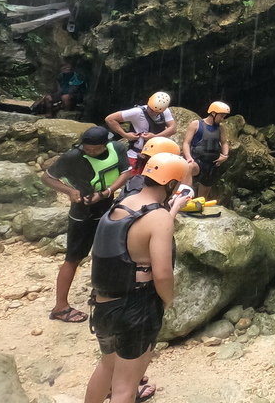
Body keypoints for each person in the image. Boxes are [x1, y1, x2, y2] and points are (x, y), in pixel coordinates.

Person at [83, 153, 190, 403]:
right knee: (125, 388)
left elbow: (139, 235)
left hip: (103, 303)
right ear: (172, 184)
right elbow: (162, 273)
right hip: (136, 306)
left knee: (107, 367)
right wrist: (166, 301)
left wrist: (172, 210)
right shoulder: (158, 218)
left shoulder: (125, 203)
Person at [41, 126, 131, 324]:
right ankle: (60, 307)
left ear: (105, 144)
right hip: (82, 212)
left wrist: (107, 192)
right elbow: (47, 177)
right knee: (73, 257)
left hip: (105, 206)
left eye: (95, 149)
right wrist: (69, 192)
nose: (89, 152)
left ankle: (101, 291)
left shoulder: (117, 148)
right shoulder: (74, 156)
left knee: (105, 251)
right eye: (87, 148)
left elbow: (126, 172)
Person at [105, 92, 177, 169]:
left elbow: (173, 129)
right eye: (152, 110)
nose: (154, 113)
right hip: (136, 154)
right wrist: (125, 135)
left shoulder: (165, 111)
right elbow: (110, 119)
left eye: (157, 112)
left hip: (156, 154)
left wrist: (155, 136)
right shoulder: (137, 112)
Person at [181, 101, 231, 199]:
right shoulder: (196, 124)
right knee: (189, 168)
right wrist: (189, 158)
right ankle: (181, 198)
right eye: (221, 116)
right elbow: (186, 143)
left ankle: (199, 205)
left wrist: (225, 156)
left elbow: (224, 143)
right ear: (213, 113)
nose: (222, 119)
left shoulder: (220, 128)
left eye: (224, 116)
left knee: (203, 194)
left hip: (212, 163)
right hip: (197, 160)